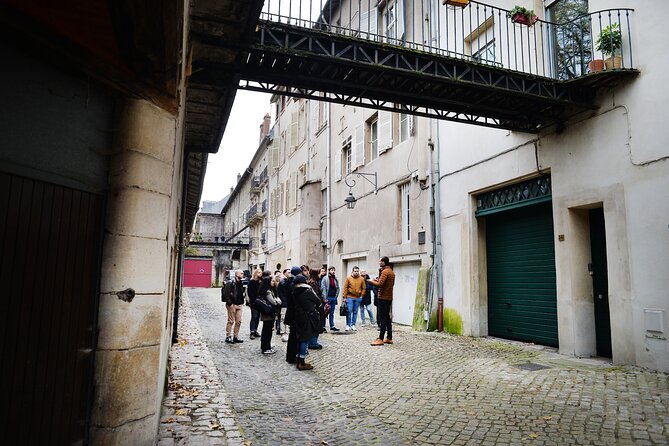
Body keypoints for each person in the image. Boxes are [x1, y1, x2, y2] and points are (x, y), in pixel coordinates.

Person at [291, 272, 323, 370]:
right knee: (305, 339)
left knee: (300, 338)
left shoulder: (294, 291)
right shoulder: (308, 291)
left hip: (298, 317)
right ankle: (301, 362)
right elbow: (319, 302)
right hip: (307, 317)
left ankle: (299, 360)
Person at [369, 257, 396, 346]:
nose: (379, 262)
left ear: (384, 262)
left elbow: (380, 285)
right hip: (389, 298)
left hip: (383, 298)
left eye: (380, 261)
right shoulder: (391, 272)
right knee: (387, 318)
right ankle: (389, 337)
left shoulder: (385, 272)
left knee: (382, 318)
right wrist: (378, 280)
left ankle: (380, 338)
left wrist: (371, 281)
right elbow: (387, 283)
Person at [284, 266, 304, 363]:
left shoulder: (289, 282)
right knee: (293, 336)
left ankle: (291, 356)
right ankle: (291, 357)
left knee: (293, 335)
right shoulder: (292, 284)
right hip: (294, 313)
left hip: (291, 312)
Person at [258, 273, 281, 354]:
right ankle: (266, 348)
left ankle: (265, 346)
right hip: (268, 313)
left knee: (267, 330)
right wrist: (277, 301)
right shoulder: (268, 292)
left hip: (267, 313)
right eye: (272, 281)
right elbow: (274, 302)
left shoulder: (269, 290)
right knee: (267, 331)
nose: (273, 282)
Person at [221, 269, 245, 344]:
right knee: (231, 321)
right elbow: (226, 294)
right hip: (232, 304)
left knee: (238, 321)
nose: (242, 274)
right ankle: (228, 336)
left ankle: (236, 336)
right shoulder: (230, 282)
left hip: (239, 304)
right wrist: (230, 303)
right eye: (241, 273)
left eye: (243, 273)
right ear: (236, 274)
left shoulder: (240, 282)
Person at [342, 266, 366, 331]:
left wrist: (362, 295)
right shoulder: (348, 278)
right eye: (355, 271)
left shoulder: (361, 279)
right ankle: (348, 325)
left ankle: (353, 325)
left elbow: (364, 288)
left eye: (357, 271)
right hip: (349, 297)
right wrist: (344, 297)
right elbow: (345, 288)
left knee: (355, 312)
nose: (356, 272)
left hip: (358, 298)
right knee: (349, 311)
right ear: (352, 271)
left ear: (358, 271)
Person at [307, 268, 324, 349]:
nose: (321, 274)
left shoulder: (315, 282)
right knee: (315, 325)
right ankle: (313, 343)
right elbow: (315, 296)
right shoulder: (313, 283)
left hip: (316, 307)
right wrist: (320, 304)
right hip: (316, 308)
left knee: (316, 324)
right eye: (319, 273)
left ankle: (314, 342)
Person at [320, 266, 340, 331]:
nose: (333, 271)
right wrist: (325, 298)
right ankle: (323, 326)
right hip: (327, 297)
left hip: (333, 298)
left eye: (334, 270)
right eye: (332, 270)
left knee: (332, 313)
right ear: (329, 271)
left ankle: (332, 326)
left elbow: (337, 288)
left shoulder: (335, 278)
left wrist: (336, 296)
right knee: (325, 312)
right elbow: (323, 288)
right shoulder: (325, 278)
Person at [276, 268, 293, 341]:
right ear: (284, 273)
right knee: (283, 318)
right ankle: (283, 332)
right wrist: (284, 301)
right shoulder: (283, 282)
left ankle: (286, 332)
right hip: (284, 303)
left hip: (288, 303)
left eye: (290, 272)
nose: (290, 274)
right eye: (288, 272)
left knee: (287, 318)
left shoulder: (288, 281)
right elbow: (281, 294)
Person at [247, 268, 262, 339]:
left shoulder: (260, 282)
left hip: (260, 302)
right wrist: (253, 301)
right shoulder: (251, 282)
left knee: (258, 317)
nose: (260, 274)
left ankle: (255, 330)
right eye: (258, 272)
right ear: (255, 273)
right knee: (254, 317)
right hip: (254, 302)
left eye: (260, 272)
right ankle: (252, 331)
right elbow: (250, 293)